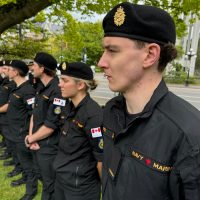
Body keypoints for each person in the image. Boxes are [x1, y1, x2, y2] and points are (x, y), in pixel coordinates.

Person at [98, 2, 200, 200]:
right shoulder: (112, 111)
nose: (101, 62)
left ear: (150, 55)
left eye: (112, 50)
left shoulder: (188, 134)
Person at [53, 61, 103, 200]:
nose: (59, 84)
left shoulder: (93, 115)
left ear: (80, 85)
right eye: (60, 80)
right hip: (62, 178)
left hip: (80, 187)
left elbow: (101, 158)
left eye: (64, 80)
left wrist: (106, 189)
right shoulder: (69, 106)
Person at [24, 52, 66, 200]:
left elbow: (51, 125)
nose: (31, 69)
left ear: (42, 68)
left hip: (48, 147)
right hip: (36, 143)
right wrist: (31, 137)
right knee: (41, 177)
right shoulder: (41, 87)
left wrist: (31, 139)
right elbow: (34, 115)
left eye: (34, 65)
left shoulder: (57, 90)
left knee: (50, 185)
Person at [6, 60, 37, 200]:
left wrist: (29, 134)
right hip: (14, 132)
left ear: (16, 72)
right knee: (22, 161)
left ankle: (31, 191)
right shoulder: (17, 87)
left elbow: (33, 114)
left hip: (21, 133)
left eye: (10, 69)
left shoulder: (27, 90)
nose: (8, 71)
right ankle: (25, 178)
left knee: (28, 164)